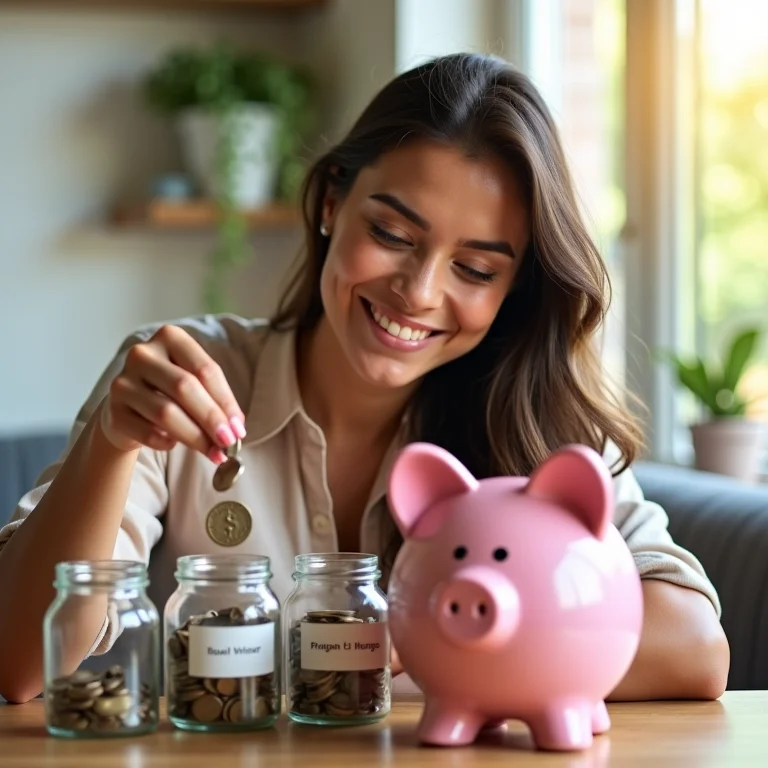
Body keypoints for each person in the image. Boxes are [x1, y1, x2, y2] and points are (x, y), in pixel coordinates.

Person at [0, 53, 729, 704]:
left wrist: (432, 633)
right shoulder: (188, 375)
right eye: (391, 234)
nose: (417, 291)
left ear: (515, 290)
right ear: (329, 204)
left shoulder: (540, 429)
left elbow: (694, 647)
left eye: (475, 269)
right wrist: (109, 444)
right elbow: (17, 662)